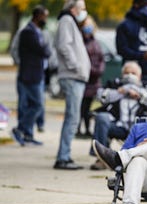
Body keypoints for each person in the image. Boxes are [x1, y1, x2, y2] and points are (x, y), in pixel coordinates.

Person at [89, 61, 147, 170]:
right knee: (101, 117)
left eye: (133, 73)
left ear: (139, 75)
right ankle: (101, 158)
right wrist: (122, 91)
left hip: (139, 127)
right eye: (127, 72)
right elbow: (101, 96)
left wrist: (136, 91)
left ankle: (141, 161)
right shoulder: (114, 84)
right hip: (118, 126)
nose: (130, 75)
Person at [53, 0, 91, 170]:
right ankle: (63, 157)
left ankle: (64, 156)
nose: (84, 11)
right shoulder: (67, 21)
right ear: (73, 8)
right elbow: (64, 47)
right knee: (72, 118)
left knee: (73, 117)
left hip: (76, 76)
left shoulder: (70, 22)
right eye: (82, 8)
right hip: (72, 76)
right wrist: (76, 66)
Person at [11, 5, 51, 146]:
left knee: (36, 105)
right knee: (36, 105)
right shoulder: (28, 32)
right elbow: (43, 51)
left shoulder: (37, 31)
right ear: (38, 16)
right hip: (29, 76)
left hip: (37, 75)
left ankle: (27, 134)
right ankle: (20, 129)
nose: (45, 19)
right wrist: (46, 47)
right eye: (44, 16)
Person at [116, 0, 147, 86]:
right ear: (136, 4)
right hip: (131, 73)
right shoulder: (125, 25)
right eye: (146, 4)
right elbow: (121, 50)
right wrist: (142, 56)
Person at [76, 15, 105, 138]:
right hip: (84, 79)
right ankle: (78, 129)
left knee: (88, 107)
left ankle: (87, 129)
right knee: (80, 107)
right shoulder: (79, 42)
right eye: (85, 25)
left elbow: (101, 58)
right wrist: (91, 70)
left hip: (94, 81)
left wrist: (99, 70)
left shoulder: (95, 42)